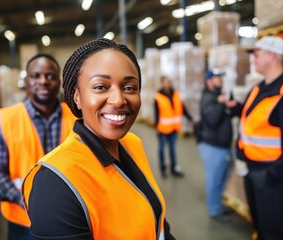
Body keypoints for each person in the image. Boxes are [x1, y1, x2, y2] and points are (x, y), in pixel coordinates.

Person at [22, 38, 176, 239]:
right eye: (101, 87)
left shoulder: (132, 144)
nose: (119, 100)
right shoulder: (54, 184)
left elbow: (157, 222)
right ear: (77, 96)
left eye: (129, 87)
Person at [0, 53, 76, 240]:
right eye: (36, 76)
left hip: (70, 219)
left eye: (50, 76)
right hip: (24, 223)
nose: (43, 81)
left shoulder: (77, 119)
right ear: (26, 81)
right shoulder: (7, 120)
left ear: (59, 82)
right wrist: (26, 201)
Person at [225, 36, 283, 240]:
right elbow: (253, 117)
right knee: (259, 225)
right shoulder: (260, 88)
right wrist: (236, 108)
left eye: (257, 54)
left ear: (273, 56)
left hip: (270, 174)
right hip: (252, 169)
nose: (253, 59)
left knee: (271, 232)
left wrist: (271, 177)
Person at [198, 69, 233, 221]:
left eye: (221, 77)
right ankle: (214, 210)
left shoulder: (217, 97)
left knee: (221, 179)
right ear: (209, 80)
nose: (221, 80)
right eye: (217, 78)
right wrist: (221, 103)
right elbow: (212, 119)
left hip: (222, 146)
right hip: (213, 147)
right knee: (214, 180)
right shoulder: (208, 98)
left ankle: (217, 205)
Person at [154, 75, 194, 178]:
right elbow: (156, 114)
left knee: (172, 150)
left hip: (174, 129)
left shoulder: (176, 95)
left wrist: (190, 118)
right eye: (166, 82)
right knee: (162, 150)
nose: (168, 83)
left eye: (169, 81)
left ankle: (174, 169)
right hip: (163, 129)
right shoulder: (158, 97)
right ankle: (163, 169)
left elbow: (183, 108)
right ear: (162, 83)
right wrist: (156, 127)